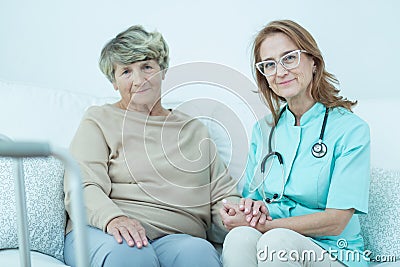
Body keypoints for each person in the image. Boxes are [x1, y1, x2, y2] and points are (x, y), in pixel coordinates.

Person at [63, 25, 247, 267]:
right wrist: (113, 219)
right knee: (132, 254)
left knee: (199, 253)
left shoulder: (194, 130)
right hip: (106, 232)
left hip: (177, 239)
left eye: (147, 67)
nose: (139, 80)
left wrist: (236, 214)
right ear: (114, 82)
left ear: (163, 70)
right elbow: (82, 184)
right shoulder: (99, 120)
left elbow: (223, 194)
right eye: (126, 71)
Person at [220, 20, 370, 267]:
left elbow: (337, 220)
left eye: (289, 58)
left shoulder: (351, 130)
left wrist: (269, 226)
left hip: (334, 252)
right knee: (239, 237)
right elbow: (253, 198)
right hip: (275, 240)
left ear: (313, 61)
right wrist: (245, 209)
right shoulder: (263, 130)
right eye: (269, 64)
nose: (279, 71)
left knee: (276, 241)